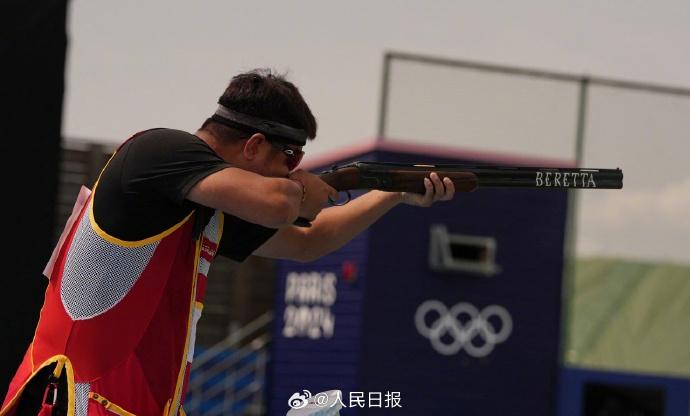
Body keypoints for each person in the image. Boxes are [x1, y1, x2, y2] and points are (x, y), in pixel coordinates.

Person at [1, 69, 455, 416]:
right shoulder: (157, 151)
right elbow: (281, 203)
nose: (294, 171)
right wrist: (305, 192)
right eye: (290, 158)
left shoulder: (204, 209)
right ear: (254, 145)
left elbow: (308, 242)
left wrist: (392, 191)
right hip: (70, 400)